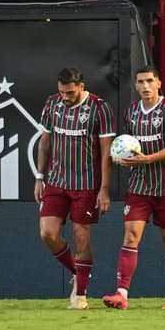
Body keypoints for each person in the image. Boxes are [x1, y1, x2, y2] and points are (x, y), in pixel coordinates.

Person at [102, 65, 165, 312]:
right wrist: (121, 156)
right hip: (139, 186)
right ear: (136, 85)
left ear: (159, 83)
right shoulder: (131, 112)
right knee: (130, 236)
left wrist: (149, 160)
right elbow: (125, 145)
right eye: (140, 81)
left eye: (150, 81)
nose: (145, 86)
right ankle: (121, 294)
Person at [34, 67, 115, 310]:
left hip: (86, 185)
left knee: (81, 236)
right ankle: (79, 273)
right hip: (57, 181)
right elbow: (45, 141)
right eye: (61, 92)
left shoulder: (100, 108)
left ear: (81, 86)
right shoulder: (52, 104)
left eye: (69, 92)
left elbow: (106, 152)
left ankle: (80, 295)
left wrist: (104, 189)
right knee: (47, 233)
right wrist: (40, 177)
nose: (65, 97)